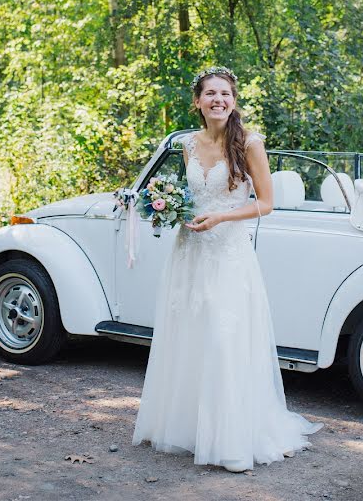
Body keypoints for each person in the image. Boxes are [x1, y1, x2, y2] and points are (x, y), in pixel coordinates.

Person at [132, 66, 322, 473]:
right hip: (190, 250)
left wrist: (221, 219)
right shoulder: (186, 144)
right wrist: (174, 211)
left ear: (233, 101)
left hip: (228, 252)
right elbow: (191, 194)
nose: (218, 99)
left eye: (225, 94)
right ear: (197, 102)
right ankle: (188, 430)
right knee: (189, 333)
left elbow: (266, 203)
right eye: (210, 94)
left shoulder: (250, 143)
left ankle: (231, 438)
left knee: (223, 335)